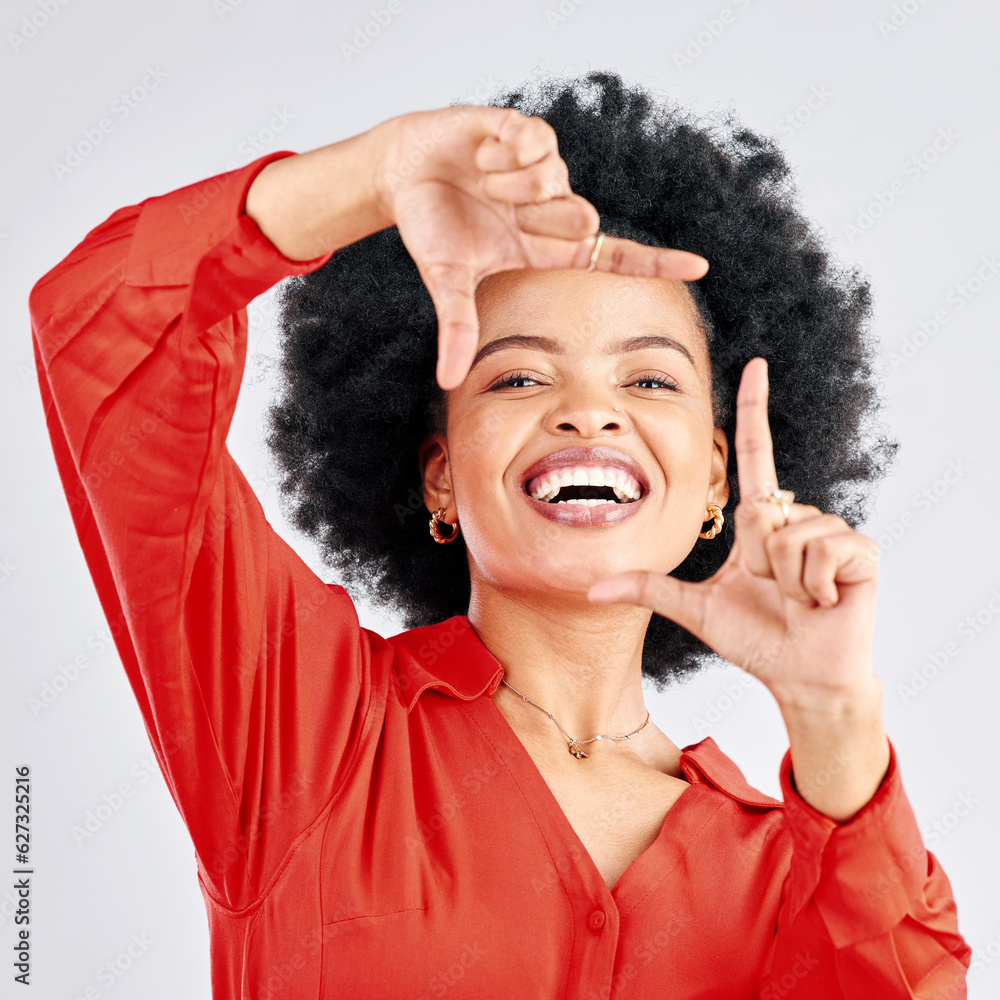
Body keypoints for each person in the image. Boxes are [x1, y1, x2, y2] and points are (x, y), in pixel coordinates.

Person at [31, 69, 970, 998]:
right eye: (518, 377)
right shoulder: (304, 732)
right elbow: (104, 325)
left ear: (716, 479)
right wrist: (367, 177)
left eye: (649, 380)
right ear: (441, 472)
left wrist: (833, 716)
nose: (588, 414)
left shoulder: (795, 874)